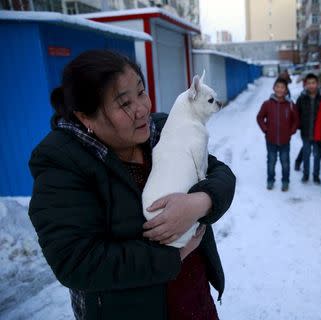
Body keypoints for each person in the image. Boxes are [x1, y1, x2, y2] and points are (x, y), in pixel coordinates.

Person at [27, 50, 236, 320]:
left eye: (141, 91)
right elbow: (76, 262)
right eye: (125, 103)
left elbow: (221, 175)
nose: (142, 108)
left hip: (193, 299)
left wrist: (199, 202)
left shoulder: (161, 128)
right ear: (86, 118)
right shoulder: (62, 164)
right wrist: (175, 255)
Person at [257, 77, 299, 191]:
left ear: (286, 90)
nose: (280, 89)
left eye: (282, 87)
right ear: (274, 88)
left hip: (285, 141)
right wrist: (266, 129)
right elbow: (260, 117)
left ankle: (285, 181)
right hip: (271, 140)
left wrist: (291, 131)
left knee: (285, 162)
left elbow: (296, 120)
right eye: (278, 87)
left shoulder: (290, 104)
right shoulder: (267, 104)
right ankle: (270, 180)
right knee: (271, 161)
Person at [295, 73, 321, 184]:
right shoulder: (301, 98)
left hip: (318, 134)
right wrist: (298, 125)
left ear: (317, 84)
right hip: (306, 133)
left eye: (313, 83)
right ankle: (306, 175)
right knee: (306, 155)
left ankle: (316, 175)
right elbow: (296, 113)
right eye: (309, 83)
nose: (311, 85)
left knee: (317, 156)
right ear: (305, 85)